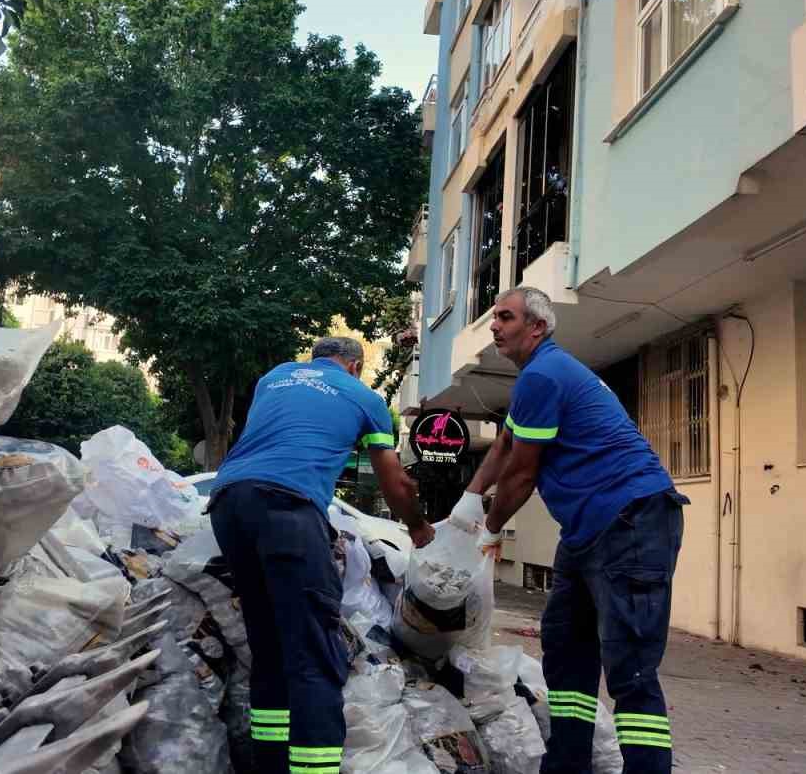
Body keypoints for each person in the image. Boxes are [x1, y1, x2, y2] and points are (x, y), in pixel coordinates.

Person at [451, 287, 687, 774]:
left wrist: (491, 530)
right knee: (567, 650)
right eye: (494, 318)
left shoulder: (544, 375)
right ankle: (568, 764)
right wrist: (467, 503)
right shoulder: (540, 377)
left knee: (631, 667)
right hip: (590, 532)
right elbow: (505, 446)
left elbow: (522, 471)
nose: (494, 326)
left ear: (536, 327)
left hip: (632, 522)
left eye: (505, 317)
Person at [208, 336, 435, 774]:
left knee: (268, 648)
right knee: (313, 653)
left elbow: (274, 434)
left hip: (229, 502)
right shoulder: (364, 397)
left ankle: (269, 765)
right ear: (354, 366)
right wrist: (418, 527)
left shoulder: (273, 378)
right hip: (288, 507)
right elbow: (394, 482)